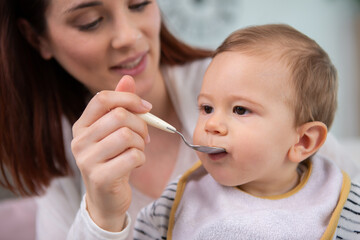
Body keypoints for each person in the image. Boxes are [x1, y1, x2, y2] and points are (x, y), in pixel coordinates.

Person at [0, 0, 358, 239]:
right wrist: (102, 216)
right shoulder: (174, 204)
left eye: (140, 2)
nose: (129, 36)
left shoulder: (246, 80)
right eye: (90, 21)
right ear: (36, 38)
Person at [134, 24, 360, 240]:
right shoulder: (182, 199)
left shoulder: (338, 200)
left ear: (303, 141)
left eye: (240, 110)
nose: (211, 124)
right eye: (207, 108)